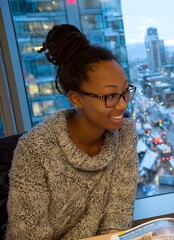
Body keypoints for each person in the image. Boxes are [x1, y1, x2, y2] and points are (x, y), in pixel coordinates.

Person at [6, 24, 139, 239]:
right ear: (77, 99)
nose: (123, 105)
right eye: (110, 96)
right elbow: (29, 234)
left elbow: (117, 219)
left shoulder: (125, 133)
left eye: (125, 91)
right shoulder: (35, 149)